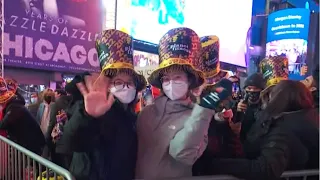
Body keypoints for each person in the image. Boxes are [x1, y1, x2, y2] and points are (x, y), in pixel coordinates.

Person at [135, 28, 232, 179]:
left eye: (178, 77)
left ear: (189, 80)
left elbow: (183, 154)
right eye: (166, 79)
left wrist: (204, 110)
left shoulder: (198, 118)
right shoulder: (146, 114)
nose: (171, 83)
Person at [56, 29, 146, 179]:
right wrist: (87, 116)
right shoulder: (90, 108)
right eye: (118, 82)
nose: (125, 86)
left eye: (129, 82)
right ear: (107, 85)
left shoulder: (131, 116)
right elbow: (69, 143)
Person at [200, 80, 319, 180]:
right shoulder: (307, 119)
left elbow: (266, 168)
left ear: (280, 98)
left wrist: (216, 165)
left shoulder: (284, 127)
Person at [0, 77, 45, 155]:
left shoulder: (14, 107)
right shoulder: (15, 105)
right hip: (28, 142)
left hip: (31, 143)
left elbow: (3, 124)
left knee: (32, 164)